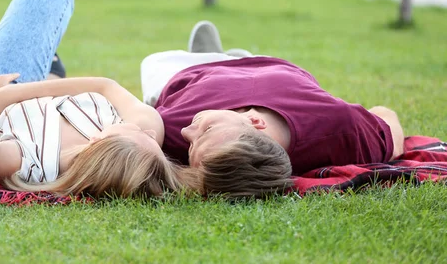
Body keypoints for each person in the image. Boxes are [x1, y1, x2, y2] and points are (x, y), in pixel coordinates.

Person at [0, 0, 183, 198]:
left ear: (97, 142)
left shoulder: (18, 159)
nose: (154, 136)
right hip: (10, 93)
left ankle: (51, 67)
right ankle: (51, 71)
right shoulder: (141, 133)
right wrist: (4, 97)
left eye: (144, 136)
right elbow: (105, 85)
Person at [141, 21, 405, 198]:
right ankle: (232, 56)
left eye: (190, 147)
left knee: (152, 66)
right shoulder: (343, 128)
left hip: (186, 71)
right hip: (270, 67)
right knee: (236, 59)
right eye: (206, 130)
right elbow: (387, 118)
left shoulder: (170, 129)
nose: (188, 131)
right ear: (255, 122)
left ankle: (213, 54)